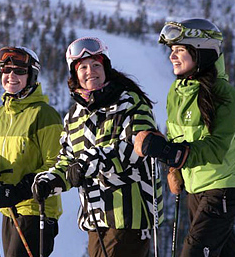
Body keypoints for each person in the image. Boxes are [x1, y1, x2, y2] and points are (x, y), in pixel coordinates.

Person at [32, 37, 162, 257]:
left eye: (96, 65)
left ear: (106, 68)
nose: (90, 71)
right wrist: (51, 180)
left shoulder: (130, 102)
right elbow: (68, 160)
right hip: (96, 217)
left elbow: (135, 150)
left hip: (129, 215)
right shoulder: (74, 116)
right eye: (82, 67)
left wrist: (90, 162)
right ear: (75, 74)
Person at [135, 18, 235, 256]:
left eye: (180, 49)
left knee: (195, 251)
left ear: (202, 51)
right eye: (172, 50)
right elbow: (177, 136)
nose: (172, 56)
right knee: (221, 251)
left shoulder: (226, 96)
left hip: (225, 184)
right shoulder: (177, 91)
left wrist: (168, 153)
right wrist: (174, 170)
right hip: (196, 183)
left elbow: (217, 148)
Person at [0, 46, 63, 257]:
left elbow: (57, 164)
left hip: (36, 211)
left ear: (32, 76)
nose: (11, 75)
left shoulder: (44, 114)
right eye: (6, 70)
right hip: (9, 210)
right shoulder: (0, 115)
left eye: (20, 71)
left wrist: (21, 189)